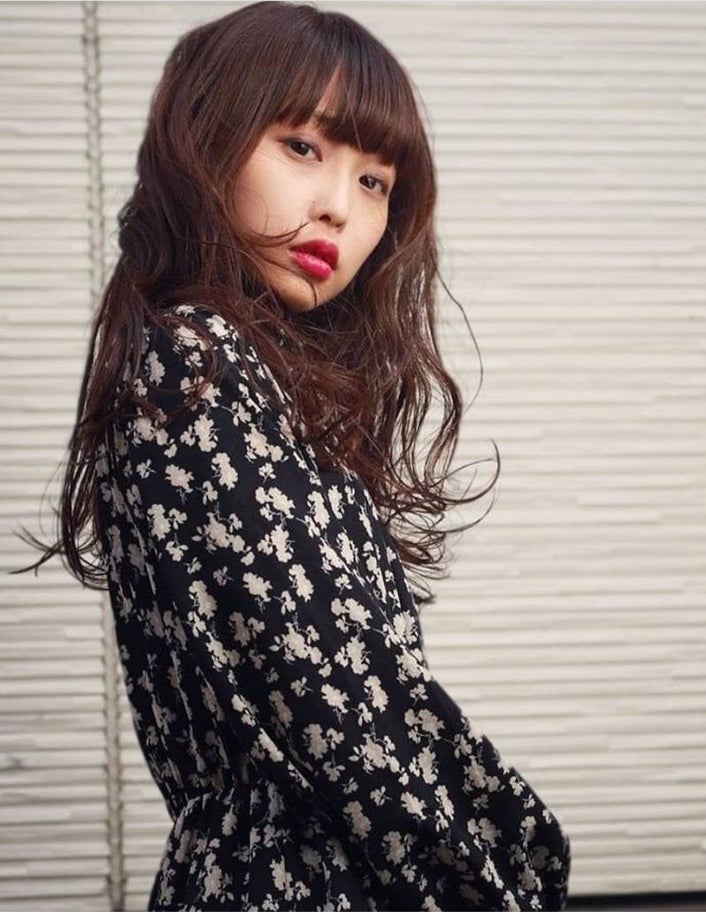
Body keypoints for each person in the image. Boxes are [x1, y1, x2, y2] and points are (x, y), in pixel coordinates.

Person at [16, 3, 571, 909]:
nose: (338, 208)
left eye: (375, 181)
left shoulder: (259, 380)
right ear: (208, 140)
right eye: (303, 147)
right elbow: (337, 708)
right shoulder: (194, 361)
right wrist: (498, 868)